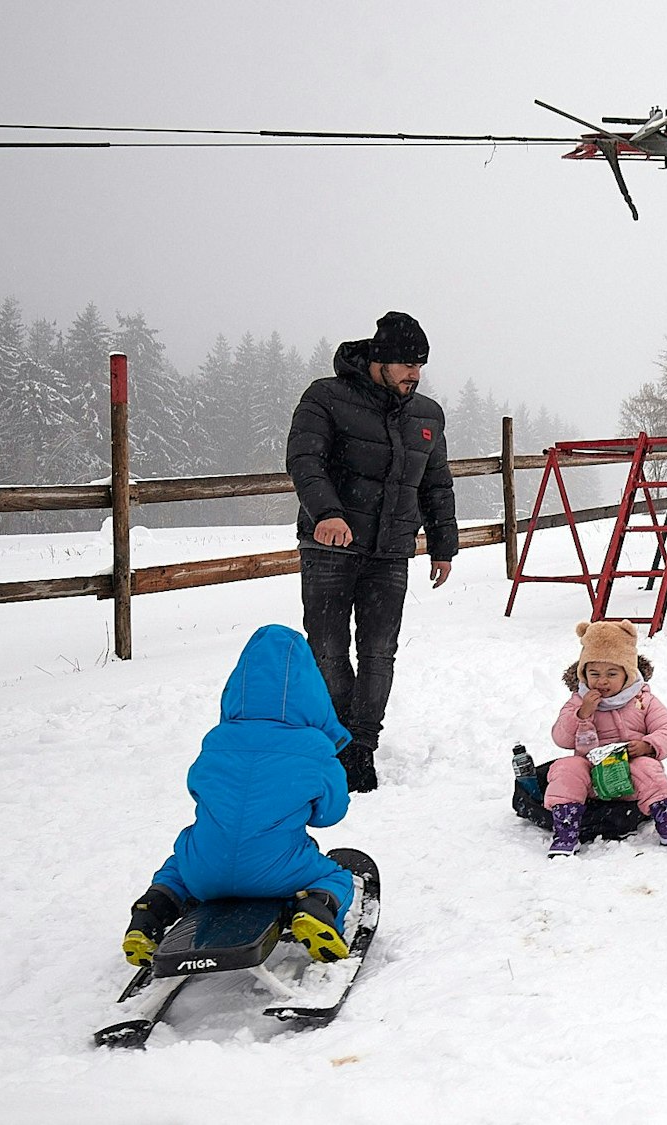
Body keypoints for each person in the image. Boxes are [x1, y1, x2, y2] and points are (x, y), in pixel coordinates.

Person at [286, 311, 458, 793]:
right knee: (327, 649)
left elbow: (435, 483)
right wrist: (327, 514)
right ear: (378, 359)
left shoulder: (427, 415)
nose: (414, 375)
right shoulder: (325, 397)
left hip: (390, 552)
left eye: (419, 366)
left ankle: (362, 747)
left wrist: (443, 544)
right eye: (405, 364)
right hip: (330, 549)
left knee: (379, 652)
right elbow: (304, 460)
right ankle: (339, 738)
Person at [123, 625, 359, 966]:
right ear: (311, 692)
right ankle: (317, 908)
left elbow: (197, 789)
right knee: (336, 875)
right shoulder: (314, 748)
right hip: (280, 872)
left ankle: (151, 913)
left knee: (178, 867)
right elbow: (330, 814)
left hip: (206, 872)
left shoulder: (217, 741)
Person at [546, 620, 667, 857]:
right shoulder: (578, 701)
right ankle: (566, 831)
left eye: (611, 674)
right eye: (594, 674)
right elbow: (560, 738)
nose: (602, 681)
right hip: (591, 779)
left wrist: (648, 745)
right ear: (583, 674)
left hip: (630, 779)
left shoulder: (642, 700)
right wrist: (582, 714)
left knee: (648, 767)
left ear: (627, 674)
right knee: (565, 767)